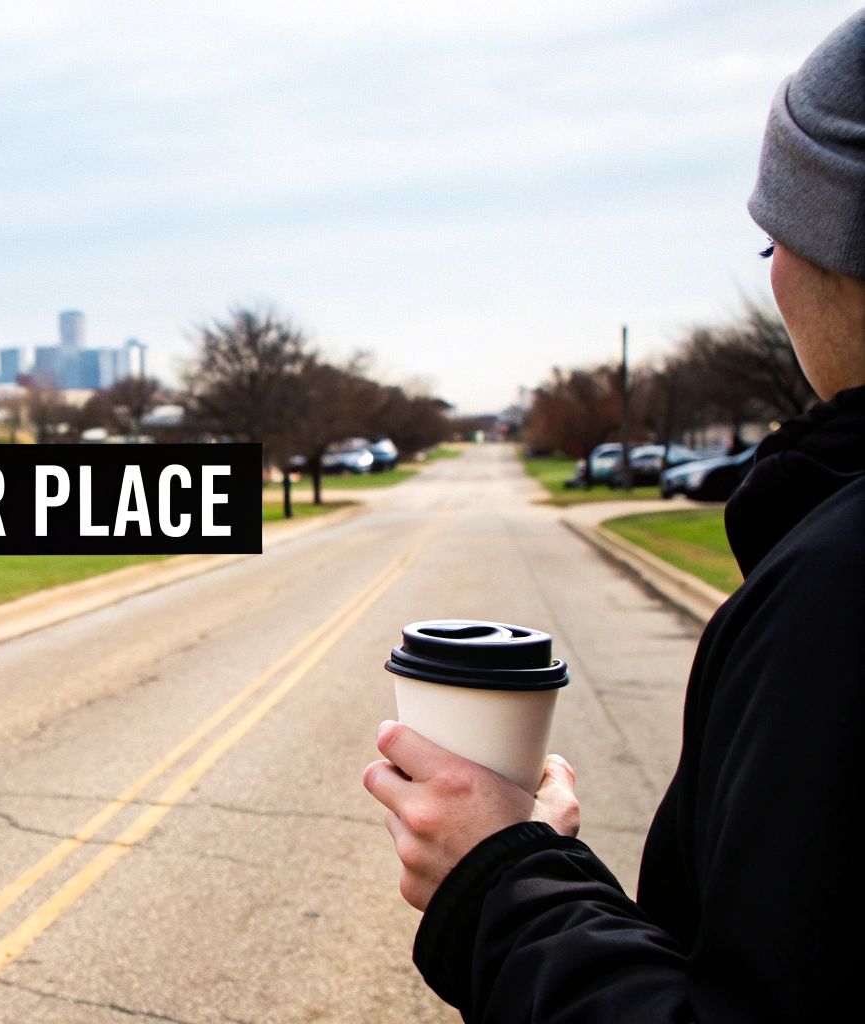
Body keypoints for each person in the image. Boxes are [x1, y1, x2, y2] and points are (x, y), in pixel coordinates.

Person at [360, 11, 865, 1021]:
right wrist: (542, 865)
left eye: (775, 233)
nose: (769, 272)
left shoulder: (839, 589)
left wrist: (498, 875)